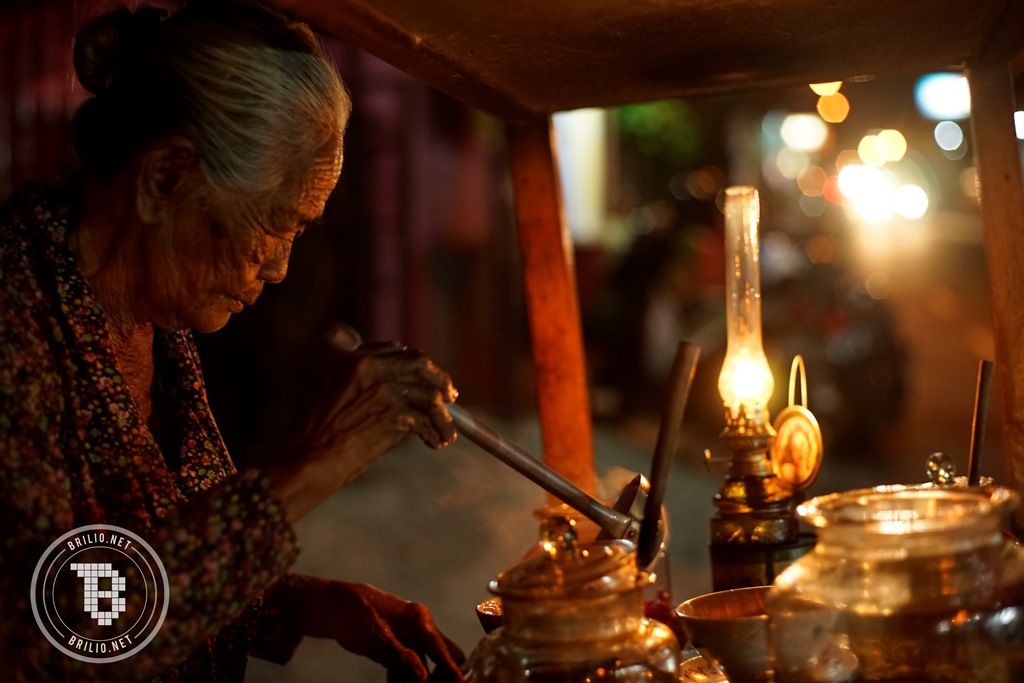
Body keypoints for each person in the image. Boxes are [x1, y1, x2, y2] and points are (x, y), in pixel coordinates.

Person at [0, 1, 466, 680]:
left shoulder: (156, 317)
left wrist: (297, 604)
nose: (278, 265)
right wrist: (313, 463)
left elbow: (143, 574)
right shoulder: (16, 316)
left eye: (298, 230)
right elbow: (57, 634)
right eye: (275, 221)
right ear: (166, 179)